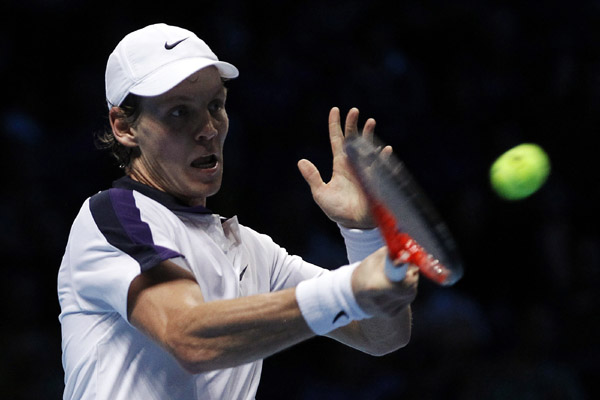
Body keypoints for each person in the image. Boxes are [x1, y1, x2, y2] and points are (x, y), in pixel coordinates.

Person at [57, 23, 419, 400]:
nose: (208, 129)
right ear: (123, 127)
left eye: (215, 105)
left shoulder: (252, 251)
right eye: (179, 112)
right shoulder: (113, 218)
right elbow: (189, 337)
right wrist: (347, 289)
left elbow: (382, 337)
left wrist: (363, 234)